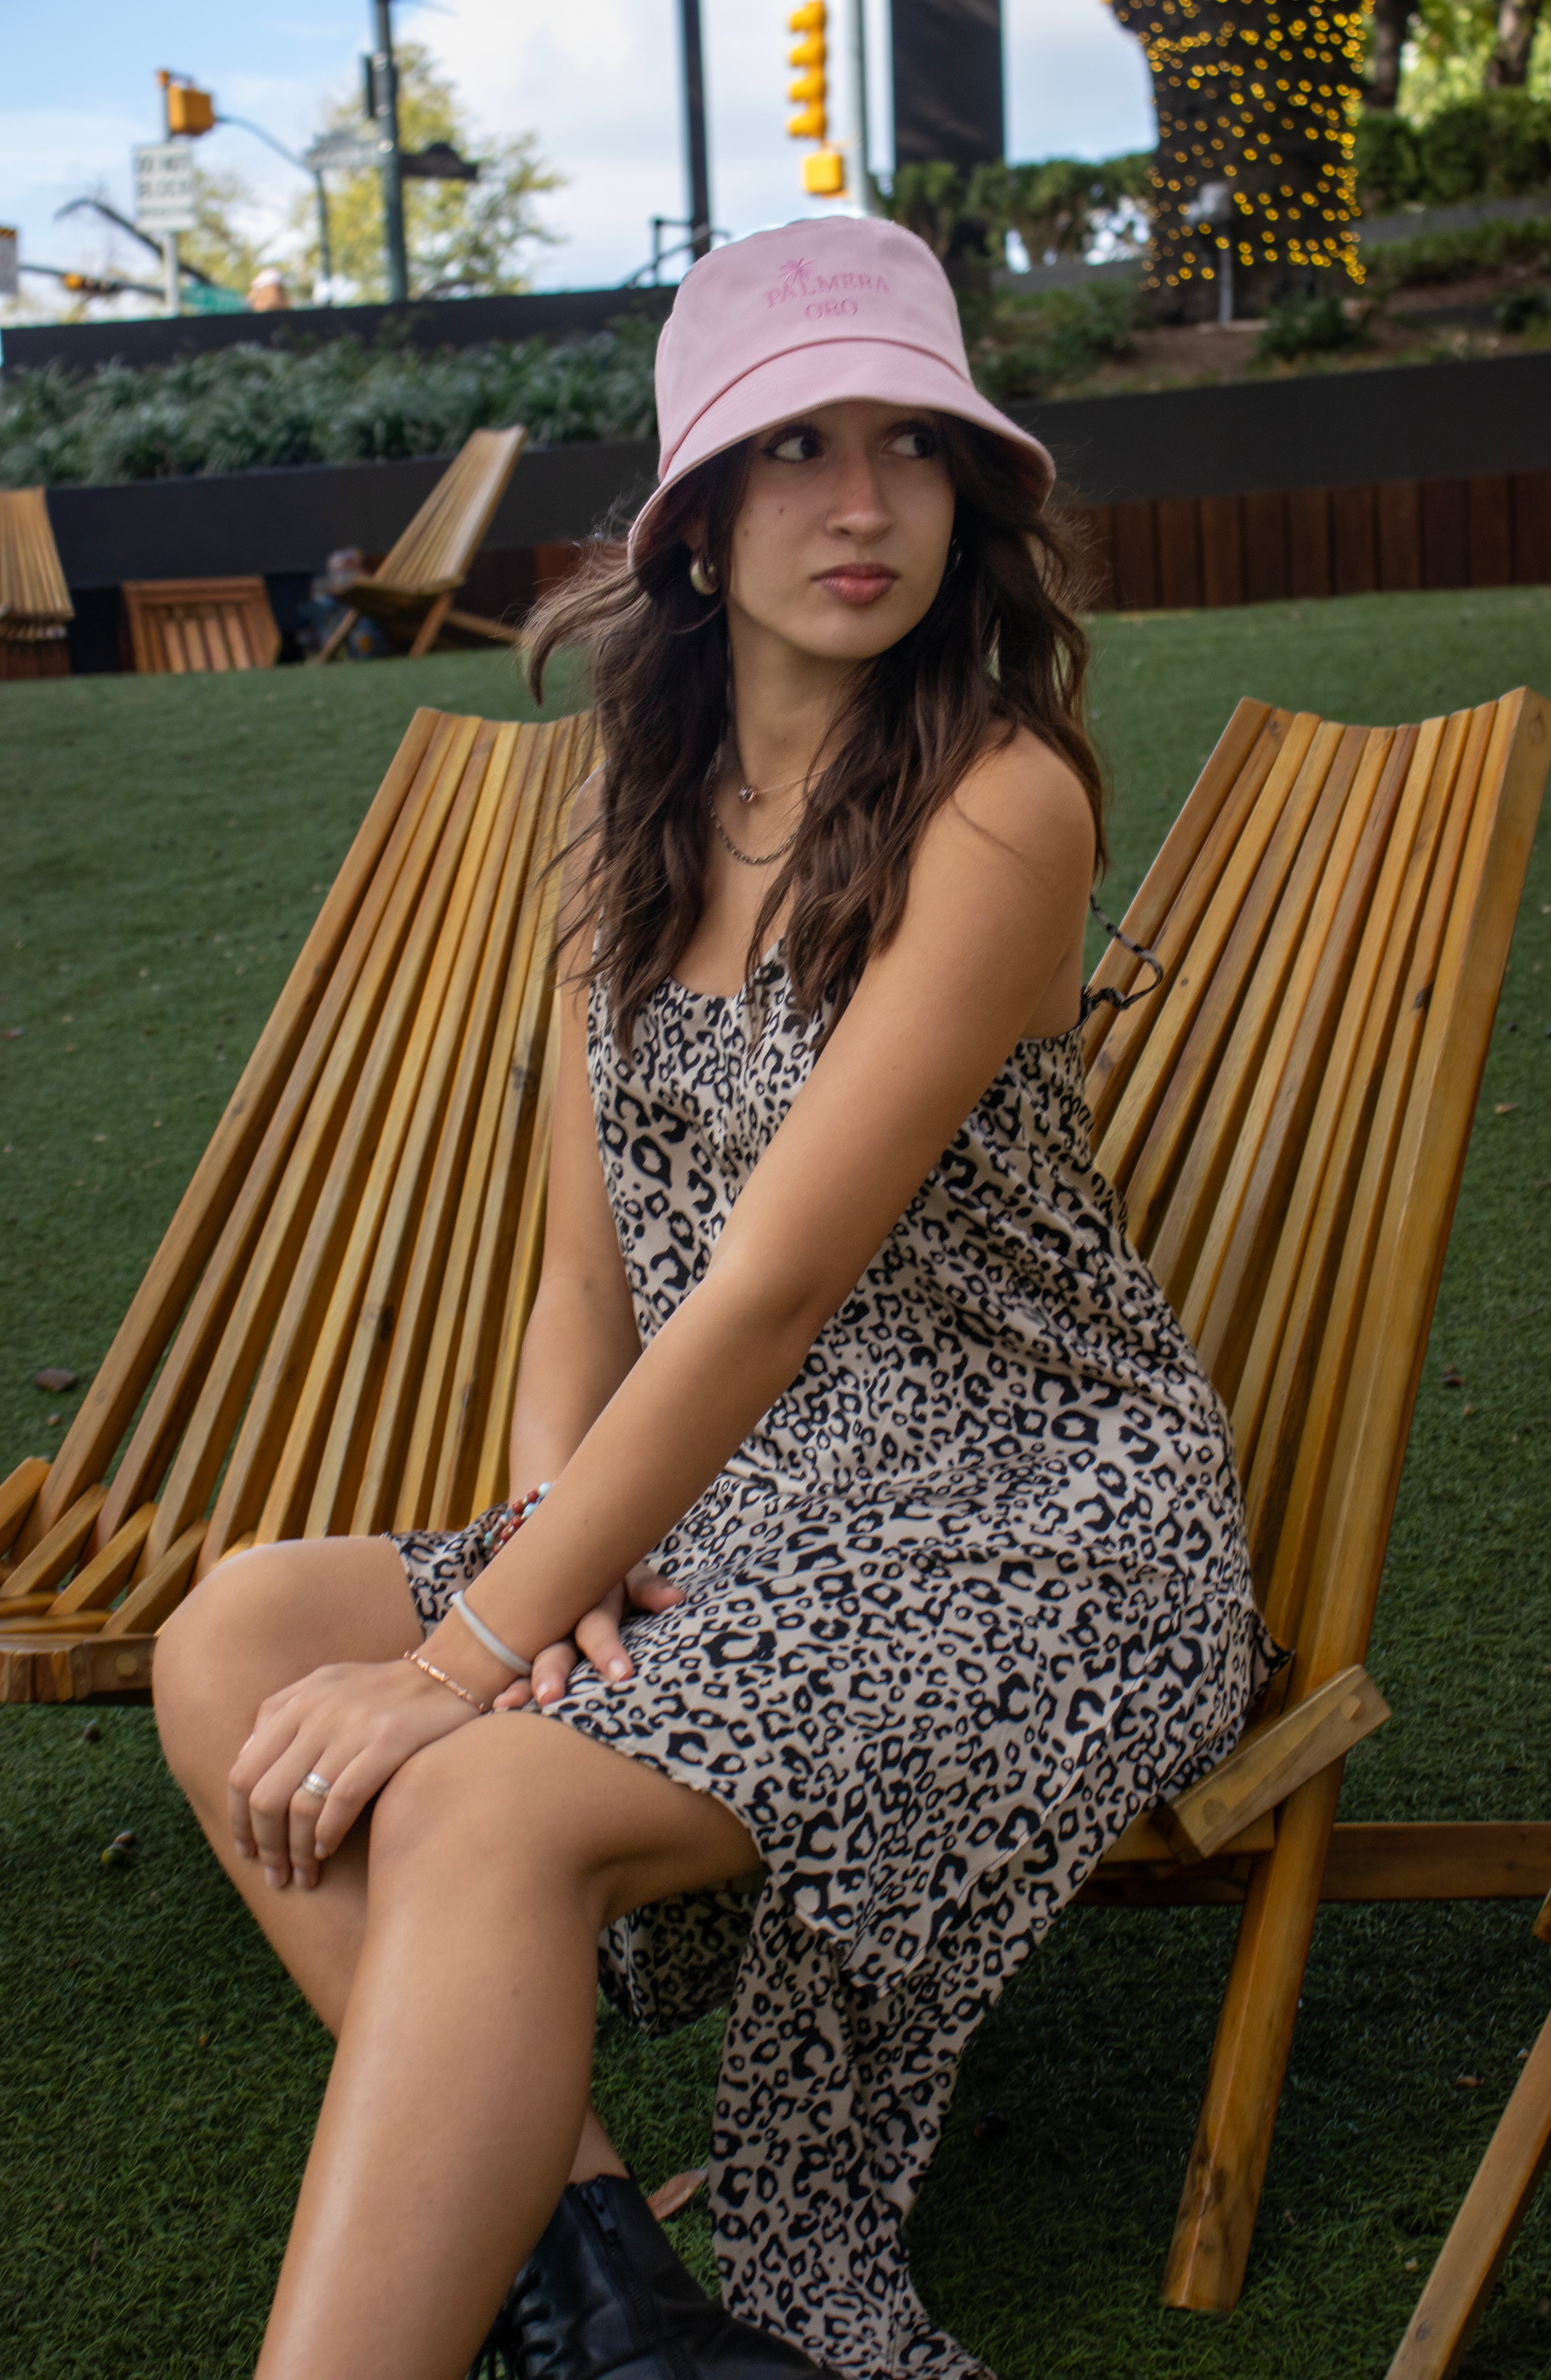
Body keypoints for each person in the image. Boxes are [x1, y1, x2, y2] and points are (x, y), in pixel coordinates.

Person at [155, 216, 1277, 2380]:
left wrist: (470, 1664)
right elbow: (582, 1273)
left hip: (1037, 1543)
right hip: (753, 1524)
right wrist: (570, 1561)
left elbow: (760, 1296)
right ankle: (610, 2296)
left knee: (471, 1782)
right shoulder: (634, 811)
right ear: (694, 516)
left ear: (973, 495)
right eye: (793, 451)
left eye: (912, 449)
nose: (861, 508)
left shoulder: (994, 803)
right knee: (233, 1633)